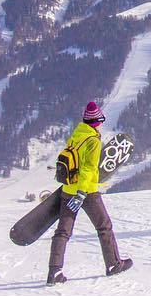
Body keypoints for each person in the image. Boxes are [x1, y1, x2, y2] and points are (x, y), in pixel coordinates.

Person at [47, 101, 133, 285]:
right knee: (104, 226)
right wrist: (81, 194)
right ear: (98, 121)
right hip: (86, 192)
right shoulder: (93, 141)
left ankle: (54, 272)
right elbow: (88, 169)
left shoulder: (77, 134)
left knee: (63, 231)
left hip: (67, 189)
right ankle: (113, 264)